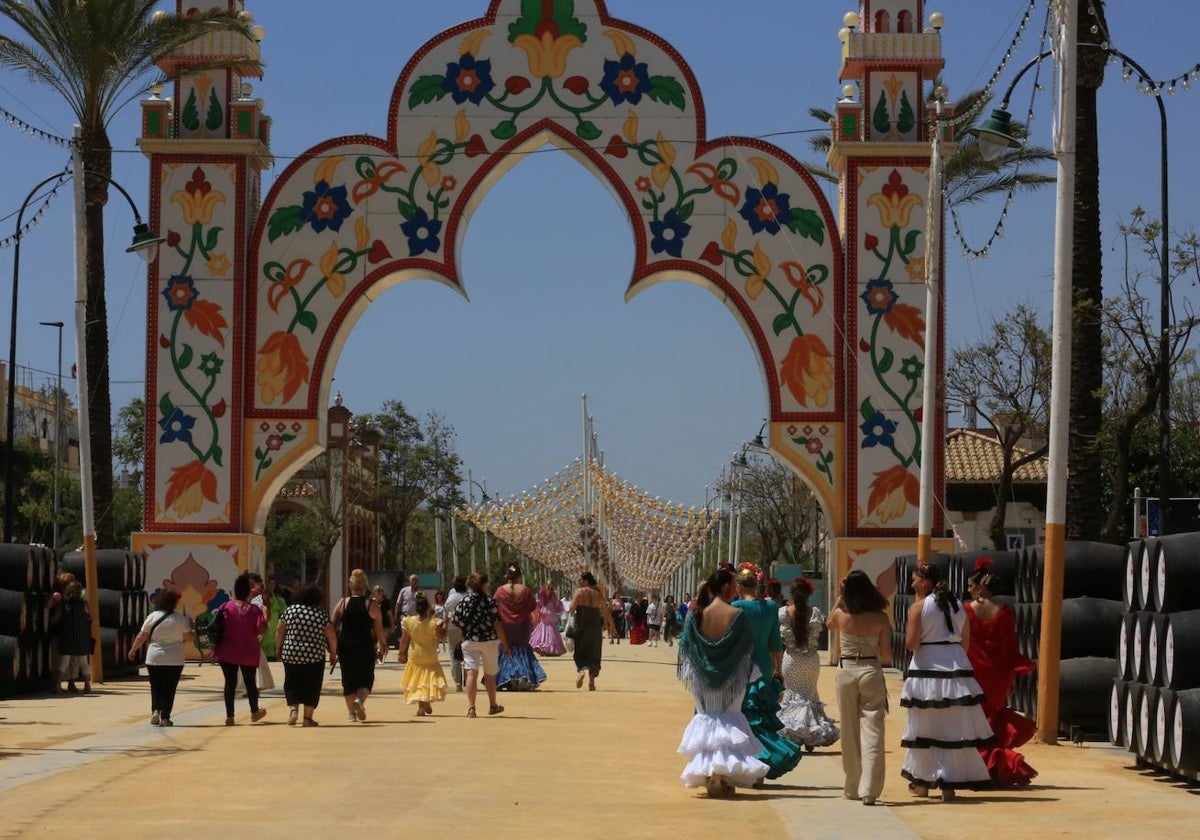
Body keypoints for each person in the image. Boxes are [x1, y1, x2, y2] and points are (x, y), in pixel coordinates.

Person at [901, 561, 994, 800]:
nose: (911, 584)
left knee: (924, 727)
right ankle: (948, 783)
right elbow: (965, 641)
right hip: (956, 667)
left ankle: (922, 782)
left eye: (914, 579)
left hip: (927, 670)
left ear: (924, 582)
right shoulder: (960, 606)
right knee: (952, 728)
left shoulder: (919, 608)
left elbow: (912, 644)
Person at [676, 566, 769, 797]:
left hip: (701, 677)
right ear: (728, 589)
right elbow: (747, 648)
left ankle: (712, 774)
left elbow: (686, 646)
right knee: (729, 721)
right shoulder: (737, 616)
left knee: (707, 718)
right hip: (733, 678)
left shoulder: (696, 614)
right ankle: (723, 775)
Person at [964, 558, 1038, 786]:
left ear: (980, 585)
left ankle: (977, 768)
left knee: (974, 721)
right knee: (993, 720)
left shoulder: (966, 610)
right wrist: (1011, 676)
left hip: (974, 674)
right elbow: (1010, 647)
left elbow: (962, 643)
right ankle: (996, 768)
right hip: (997, 676)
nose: (969, 590)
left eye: (970, 585)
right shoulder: (1004, 612)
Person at [731, 564, 802, 782]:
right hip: (765, 664)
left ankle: (754, 763)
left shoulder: (736, 606)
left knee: (745, 716)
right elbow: (775, 643)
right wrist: (778, 670)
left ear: (738, 586)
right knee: (760, 715)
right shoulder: (770, 607)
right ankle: (761, 763)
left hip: (742, 665)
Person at [826, 570, 892, 805]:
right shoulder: (881, 618)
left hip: (846, 672)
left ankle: (852, 785)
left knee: (849, 730)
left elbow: (828, 623)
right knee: (873, 731)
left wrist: (839, 598)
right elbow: (886, 655)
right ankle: (870, 789)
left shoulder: (842, 615)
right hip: (870, 670)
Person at [778, 577, 840, 751]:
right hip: (811, 661)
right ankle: (809, 737)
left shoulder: (783, 612)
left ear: (792, 593)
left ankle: (794, 734)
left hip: (791, 661)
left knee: (792, 696)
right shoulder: (815, 613)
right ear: (808, 594)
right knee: (809, 696)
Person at [128, 588, 194, 726]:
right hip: (175, 658)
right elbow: (188, 638)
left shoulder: (152, 617)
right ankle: (165, 717)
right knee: (170, 688)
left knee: (156, 686)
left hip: (154, 657)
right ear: (175, 603)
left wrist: (133, 650)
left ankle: (155, 710)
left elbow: (142, 636)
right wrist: (189, 630)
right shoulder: (180, 619)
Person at [275, 584, 337, 726]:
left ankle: (293, 711)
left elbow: (280, 630)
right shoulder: (320, 614)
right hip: (314, 655)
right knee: (312, 685)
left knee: (292, 682)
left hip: (291, 653)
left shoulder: (290, 610)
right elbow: (331, 635)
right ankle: (307, 719)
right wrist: (333, 653)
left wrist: (279, 647)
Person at [332, 569, 389, 723]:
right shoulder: (372, 605)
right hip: (365, 647)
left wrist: (333, 648)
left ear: (350, 585)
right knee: (366, 679)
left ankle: (351, 715)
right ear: (365, 586)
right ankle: (360, 701)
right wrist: (383, 644)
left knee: (348, 680)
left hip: (346, 647)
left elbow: (332, 626)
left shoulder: (342, 603)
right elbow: (379, 629)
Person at [212, 573, 268, 725]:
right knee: (250, 682)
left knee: (230, 682)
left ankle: (230, 716)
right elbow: (263, 630)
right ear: (248, 592)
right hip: (248, 651)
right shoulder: (254, 610)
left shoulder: (225, 607)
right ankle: (254, 712)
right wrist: (264, 615)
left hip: (227, 650)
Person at [452, 572, 511, 717]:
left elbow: (455, 620)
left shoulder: (464, 601)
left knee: (471, 673)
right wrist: (505, 644)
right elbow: (497, 624)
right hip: (489, 641)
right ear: (484, 584)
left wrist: (469, 628)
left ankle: (471, 708)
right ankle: (492, 705)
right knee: (490, 675)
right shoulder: (490, 602)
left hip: (469, 641)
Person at [493, 563, 547, 691]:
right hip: (522, 625)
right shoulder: (525, 590)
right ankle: (522, 677)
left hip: (505, 626)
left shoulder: (500, 591)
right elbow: (532, 606)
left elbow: (494, 606)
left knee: (507, 649)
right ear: (518, 576)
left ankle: (507, 678)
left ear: (507, 576)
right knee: (522, 649)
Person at [398, 593, 448, 716]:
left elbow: (404, 639)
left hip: (415, 655)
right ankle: (427, 701)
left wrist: (401, 653)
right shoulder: (434, 622)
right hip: (430, 655)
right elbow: (440, 637)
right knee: (428, 680)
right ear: (427, 609)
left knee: (418, 681)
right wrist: (445, 625)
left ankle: (421, 706)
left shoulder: (409, 621)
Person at [568, 572, 616, 691]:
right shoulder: (598, 594)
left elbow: (571, 609)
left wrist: (571, 619)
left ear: (586, 581)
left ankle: (582, 670)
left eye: (581, 580)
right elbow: (605, 612)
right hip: (595, 627)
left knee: (580, 651)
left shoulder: (579, 592)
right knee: (594, 654)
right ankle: (591, 683)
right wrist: (612, 626)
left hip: (582, 625)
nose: (579, 582)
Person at [50, 579, 92, 694]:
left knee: (65, 661)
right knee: (83, 661)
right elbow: (90, 617)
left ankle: (57, 685)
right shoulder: (84, 603)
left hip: (68, 636)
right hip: (81, 636)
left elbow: (55, 619)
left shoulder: (64, 604)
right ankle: (87, 686)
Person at [444, 576, 468, 691]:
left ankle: (458, 683)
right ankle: (469, 682)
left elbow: (447, 613)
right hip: (467, 628)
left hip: (452, 627)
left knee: (454, 656)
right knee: (468, 655)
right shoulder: (468, 597)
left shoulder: (451, 598)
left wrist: (444, 626)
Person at [530, 583, 566, 656]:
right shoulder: (553, 594)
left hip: (545, 611)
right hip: (552, 612)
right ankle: (551, 648)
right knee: (552, 629)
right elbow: (557, 604)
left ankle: (543, 646)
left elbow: (538, 603)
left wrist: (539, 612)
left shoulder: (543, 593)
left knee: (544, 628)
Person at [372, 584, 396, 649]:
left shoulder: (386, 601)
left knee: (382, 641)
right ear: (374, 593)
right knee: (373, 642)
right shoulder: (371, 602)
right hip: (373, 624)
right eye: (377, 592)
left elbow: (389, 613)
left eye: (380, 592)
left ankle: (381, 655)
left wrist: (392, 623)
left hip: (384, 624)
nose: (379, 594)